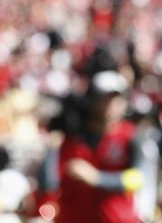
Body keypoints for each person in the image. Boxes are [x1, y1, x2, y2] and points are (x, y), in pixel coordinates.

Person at [50, 70, 149, 223]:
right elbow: (51, 182)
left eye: (115, 98)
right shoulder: (73, 137)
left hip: (116, 218)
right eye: (103, 98)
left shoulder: (131, 136)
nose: (109, 104)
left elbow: (138, 178)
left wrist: (97, 178)